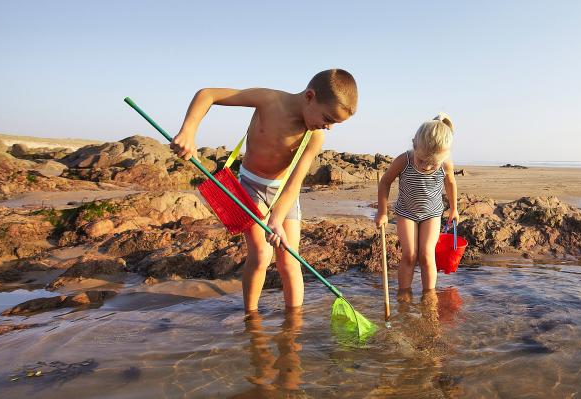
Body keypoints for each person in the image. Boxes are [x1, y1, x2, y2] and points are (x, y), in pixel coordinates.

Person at [170, 69, 358, 313]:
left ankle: (294, 323)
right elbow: (207, 95)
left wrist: (277, 219)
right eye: (329, 118)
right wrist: (188, 131)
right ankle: (252, 316)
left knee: (290, 259)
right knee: (260, 254)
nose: (329, 127)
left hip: (284, 195)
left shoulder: (315, 137)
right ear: (310, 97)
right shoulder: (269, 100)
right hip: (250, 186)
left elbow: (294, 184)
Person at [375, 113, 458, 295]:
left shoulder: (445, 165)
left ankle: (429, 296)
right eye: (421, 161)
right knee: (410, 255)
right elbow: (385, 182)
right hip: (406, 213)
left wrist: (454, 208)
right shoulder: (404, 160)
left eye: (432, 164)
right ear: (414, 144)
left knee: (427, 255)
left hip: (432, 214)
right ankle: (404, 294)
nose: (426, 167)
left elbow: (450, 183)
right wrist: (383, 212)